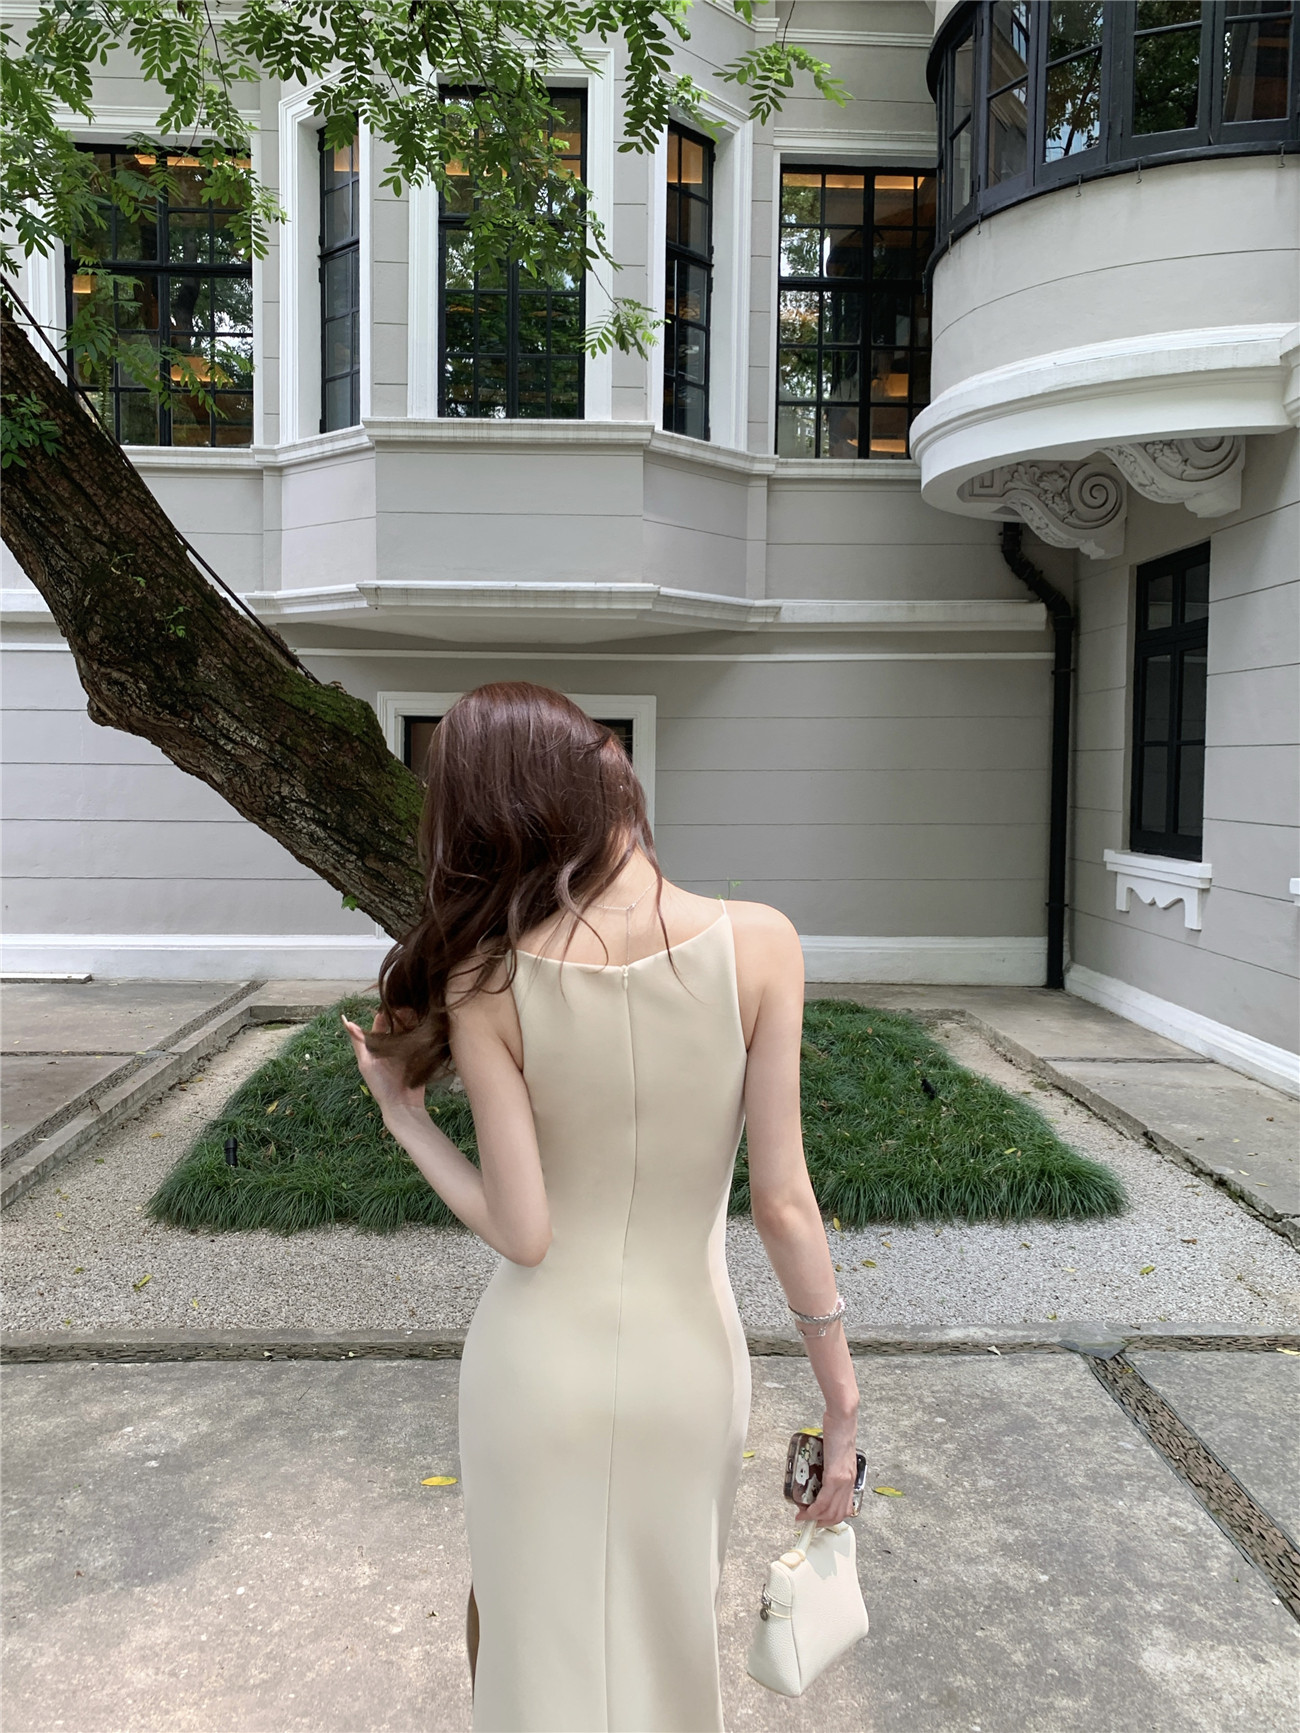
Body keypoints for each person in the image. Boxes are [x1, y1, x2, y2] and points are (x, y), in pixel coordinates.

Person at [342, 681, 861, 1733]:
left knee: (528, 1648)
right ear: (610, 787)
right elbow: (783, 1203)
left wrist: (405, 1117)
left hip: (532, 1367)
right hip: (688, 1364)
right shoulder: (762, 943)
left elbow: (524, 1232)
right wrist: (841, 1402)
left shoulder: (485, 978)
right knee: (670, 1650)